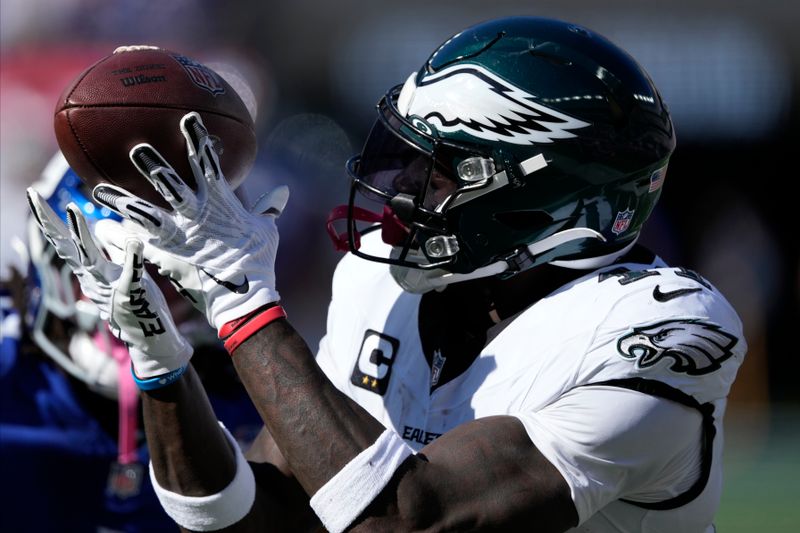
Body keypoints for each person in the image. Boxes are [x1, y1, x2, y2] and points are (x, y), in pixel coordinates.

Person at [28, 17, 746, 533]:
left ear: (547, 200)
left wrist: (241, 298)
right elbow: (260, 514)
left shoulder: (662, 327)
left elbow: (413, 518)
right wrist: (162, 370)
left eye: (439, 173)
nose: (399, 192)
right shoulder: (383, 287)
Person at [3, 152, 261, 532]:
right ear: (52, 259)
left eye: (162, 279)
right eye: (98, 270)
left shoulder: (248, 412)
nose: (127, 311)